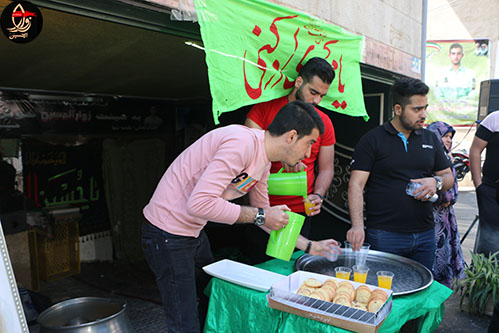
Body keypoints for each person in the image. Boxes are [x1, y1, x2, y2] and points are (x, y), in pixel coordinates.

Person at [142, 100, 340, 333]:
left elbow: (264, 214)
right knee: (184, 322)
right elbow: (200, 203)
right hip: (167, 233)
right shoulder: (241, 144)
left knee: (214, 293)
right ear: (291, 136)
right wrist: (260, 215)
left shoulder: (264, 160)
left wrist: (309, 246)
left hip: (192, 233)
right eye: (308, 144)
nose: (308, 154)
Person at [347, 78, 454, 270]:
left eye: (425, 108)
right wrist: (357, 226)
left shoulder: (430, 138)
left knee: (420, 294)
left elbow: (448, 176)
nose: (423, 115)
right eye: (416, 109)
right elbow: (356, 185)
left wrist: (436, 182)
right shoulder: (372, 140)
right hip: (384, 235)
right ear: (398, 109)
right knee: (384, 293)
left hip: (425, 234)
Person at [244, 57, 336, 262]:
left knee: (293, 272)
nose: (317, 101)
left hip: (300, 213)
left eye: (322, 95)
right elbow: (247, 157)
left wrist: (318, 195)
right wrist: (278, 156)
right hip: (262, 209)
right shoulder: (264, 110)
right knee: (260, 271)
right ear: (298, 82)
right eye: (313, 92)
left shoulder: (325, 123)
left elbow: (327, 168)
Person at [426, 121, 466, 288]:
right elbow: (439, 194)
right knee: (435, 258)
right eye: (445, 136)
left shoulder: (448, 158)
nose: (449, 140)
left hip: (446, 218)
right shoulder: (428, 158)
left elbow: (453, 192)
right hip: (432, 218)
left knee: (445, 256)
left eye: (451, 137)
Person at [469, 110, 499, 256]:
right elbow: (475, 150)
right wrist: (478, 184)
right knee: (488, 242)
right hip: (491, 190)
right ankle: (486, 277)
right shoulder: (494, 118)